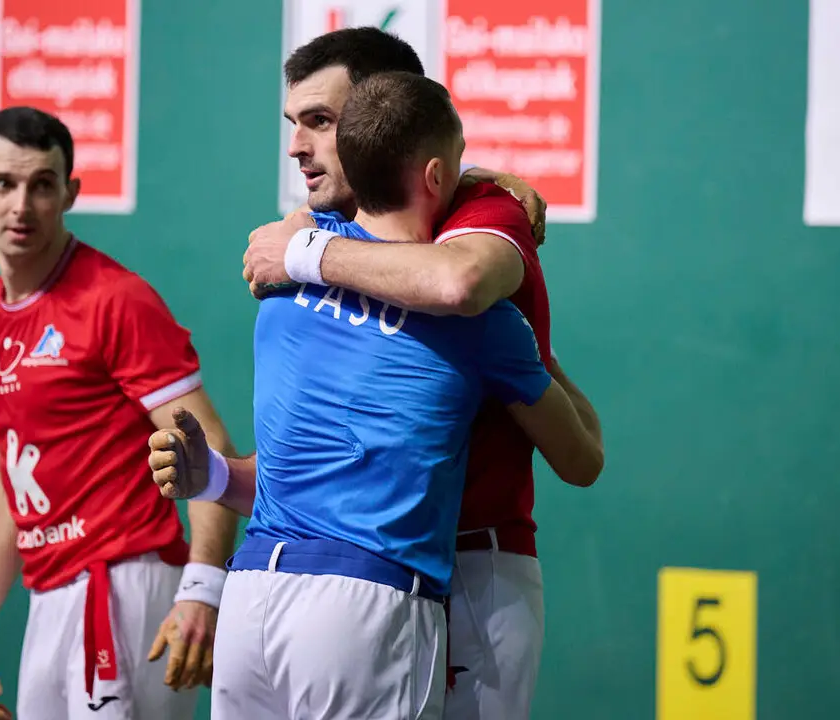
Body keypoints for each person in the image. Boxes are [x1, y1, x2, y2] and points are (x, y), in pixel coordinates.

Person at [149, 71, 600, 720]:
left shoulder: (278, 279)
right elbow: (584, 460)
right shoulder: (479, 322)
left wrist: (215, 477)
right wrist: (533, 346)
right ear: (438, 176)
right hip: (371, 606)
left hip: (252, 599)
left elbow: (313, 481)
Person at [0, 106, 241, 720]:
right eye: (4, 183)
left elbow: (207, 444)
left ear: (71, 192)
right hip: (49, 595)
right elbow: (6, 477)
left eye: (43, 185)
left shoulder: (114, 300)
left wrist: (201, 590)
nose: (22, 206)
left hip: (128, 587)